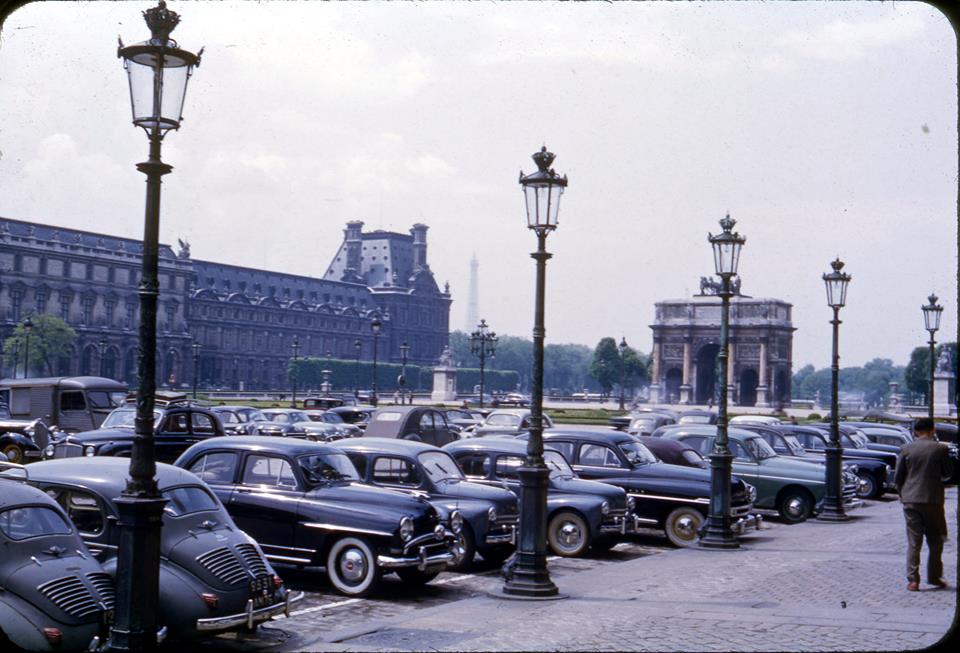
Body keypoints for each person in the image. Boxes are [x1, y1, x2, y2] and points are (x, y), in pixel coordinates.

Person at [894, 417, 953, 591]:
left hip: (911, 500)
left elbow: (898, 477)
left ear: (916, 432)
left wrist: (902, 494)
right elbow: (948, 472)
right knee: (936, 541)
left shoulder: (906, 449)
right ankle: (934, 577)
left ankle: (913, 580)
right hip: (933, 500)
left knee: (914, 541)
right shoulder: (940, 448)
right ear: (932, 430)